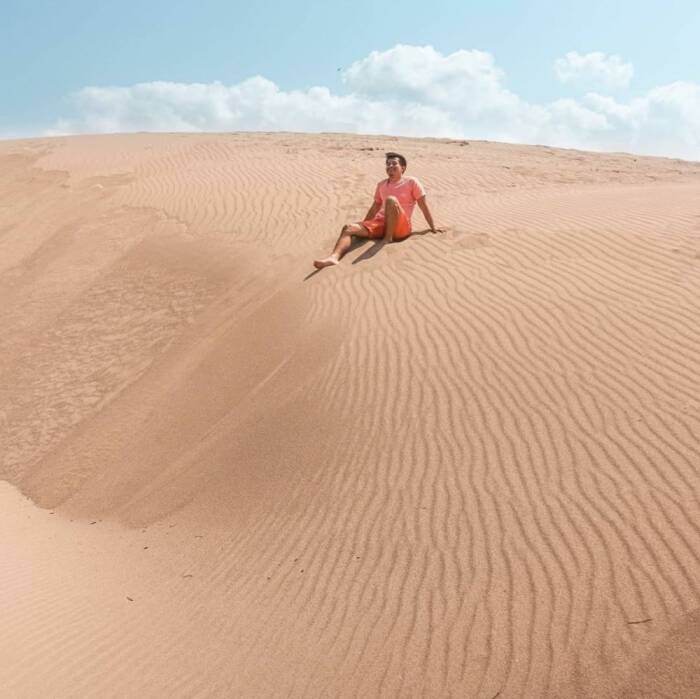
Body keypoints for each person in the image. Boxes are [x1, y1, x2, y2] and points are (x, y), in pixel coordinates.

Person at [313, 152, 442, 269]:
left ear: (403, 168)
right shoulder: (381, 185)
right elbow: (375, 207)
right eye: (387, 164)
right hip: (381, 224)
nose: (390, 167)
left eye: (394, 164)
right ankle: (334, 258)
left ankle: (387, 238)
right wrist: (363, 226)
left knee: (391, 200)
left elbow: (423, 205)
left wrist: (433, 227)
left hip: (401, 227)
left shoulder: (411, 182)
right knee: (348, 228)